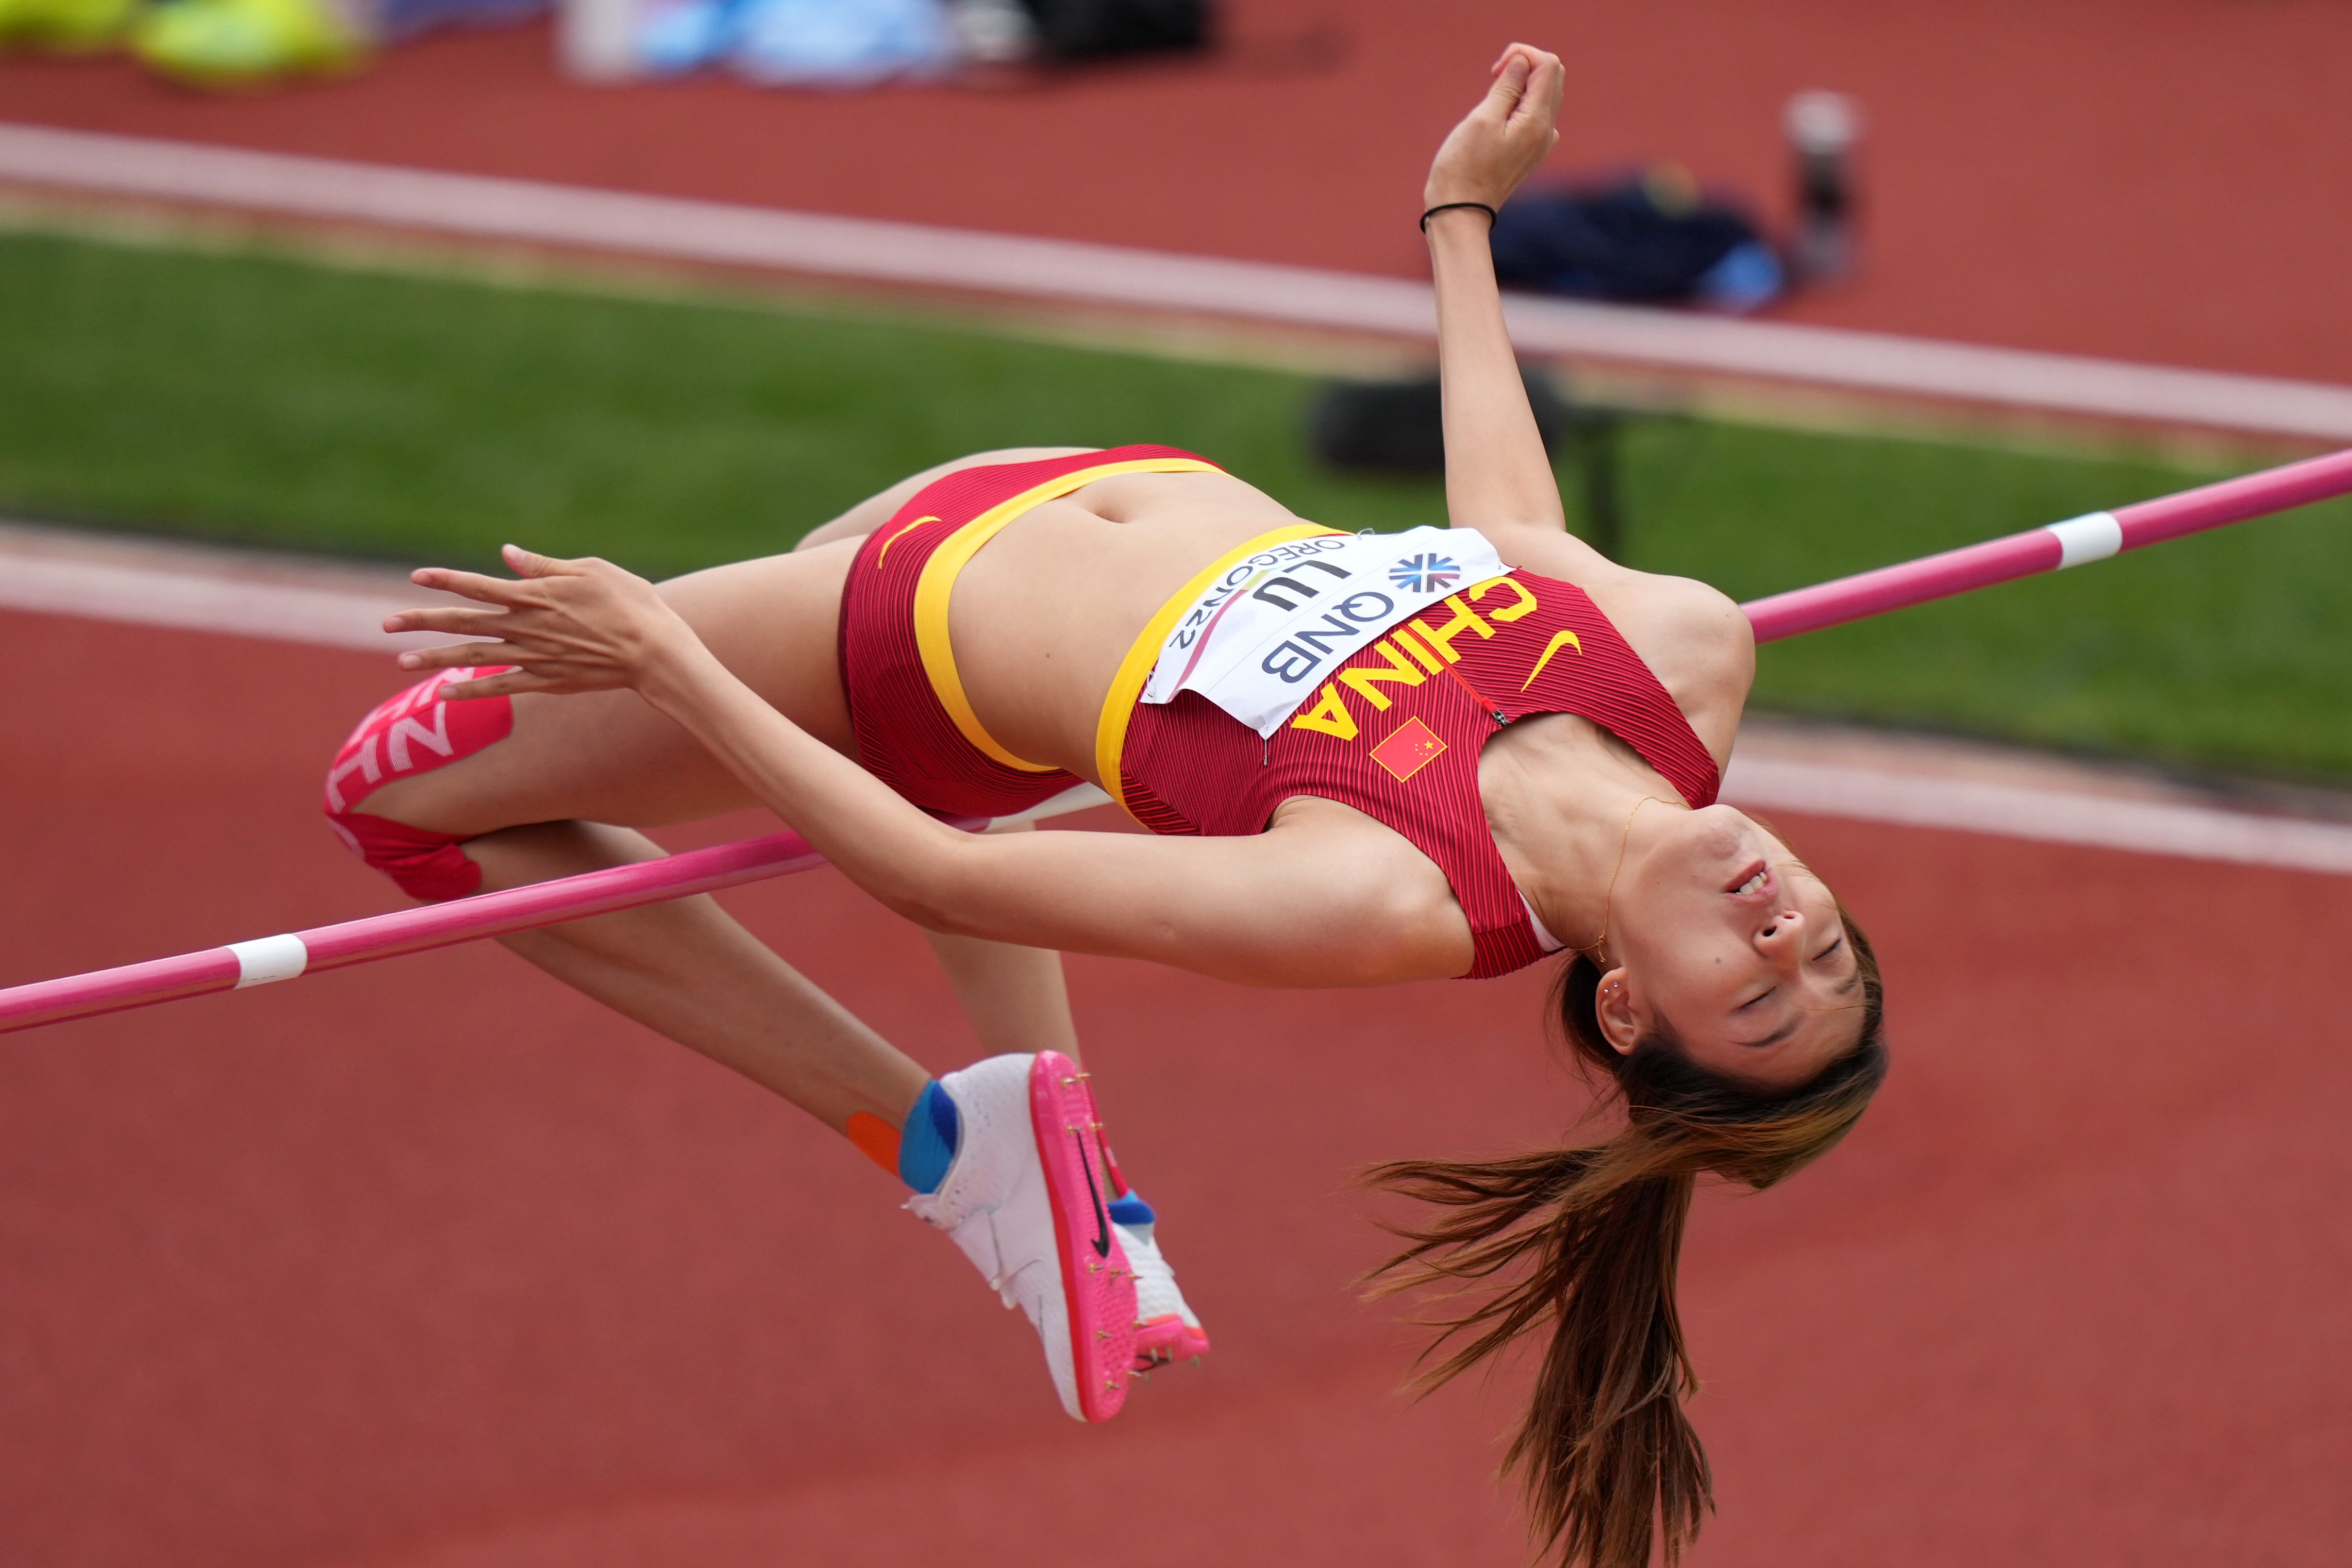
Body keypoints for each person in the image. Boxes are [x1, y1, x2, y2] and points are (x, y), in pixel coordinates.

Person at [328, 43, 1887, 1568]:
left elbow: (947, 878)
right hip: (1061, 481)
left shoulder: (1398, 898)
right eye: (1829, 949)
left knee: (397, 795)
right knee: (569, 760)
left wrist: (668, 660)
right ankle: (1076, 1177)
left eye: (1757, 994)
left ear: (1625, 1011)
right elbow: (1512, 525)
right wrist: (1458, 219)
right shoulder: (1688, 659)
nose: (1786, 928)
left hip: (914, 638)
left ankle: (932, 1138)